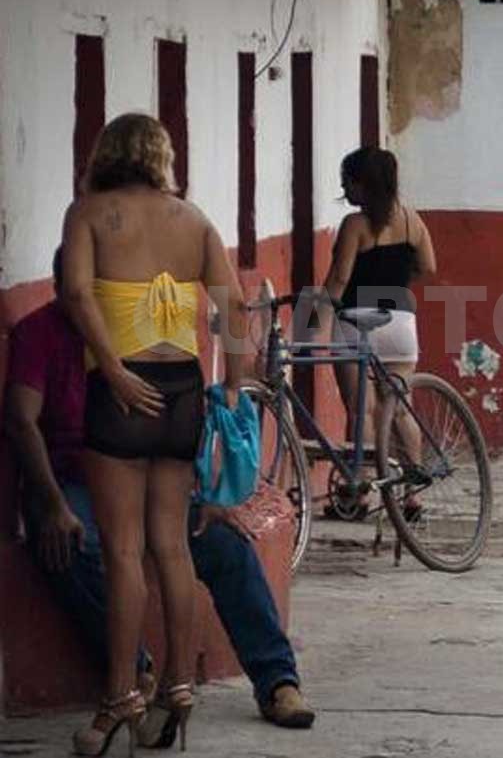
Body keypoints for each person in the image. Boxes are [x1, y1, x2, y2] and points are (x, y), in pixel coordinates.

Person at [4, 250, 316, 744]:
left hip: (149, 481)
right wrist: (50, 504)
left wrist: (207, 492)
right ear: (61, 286)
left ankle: (278, 680)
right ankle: (138, 674)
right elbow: (21, 421)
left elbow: (177, 414)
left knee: (225, 546)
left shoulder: (137, 329)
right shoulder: (37, 333)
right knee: (66, 547)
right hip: (77, 480)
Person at [59, 113, 248, 755]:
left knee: (121, 552)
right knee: (172, 546)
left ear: (107, 153)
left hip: (123, 390)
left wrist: (111, 368)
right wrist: (233, 385)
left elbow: (79, 295)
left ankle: (117, 699)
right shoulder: (193, 221)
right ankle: (178, 687)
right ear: (162, 156)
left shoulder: (88, 213)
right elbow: (235, 305)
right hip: (183, 390)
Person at [319, 147, 436, 458]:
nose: (343, 189)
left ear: (364, 183)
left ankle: (365, 490)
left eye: (348, 182)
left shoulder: (355, 224)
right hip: (400, 321)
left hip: (356, 320)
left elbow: (340, 278)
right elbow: (428, 266)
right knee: (399, 409)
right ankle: (411, 490)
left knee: (363, 412)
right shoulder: (413, 220)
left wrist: (316, 315)